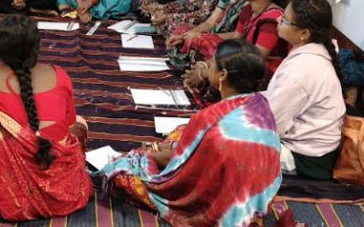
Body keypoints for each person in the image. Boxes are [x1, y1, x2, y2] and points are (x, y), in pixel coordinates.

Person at [94, 39, 281, 227]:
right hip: (256, 199)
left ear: (222, 75)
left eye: (212, 63)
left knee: (122, 170)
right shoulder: (261, 105)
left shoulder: (209, 120)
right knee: (183, 131)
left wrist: (147, 155)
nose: (208, 66)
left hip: (220, 206)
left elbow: (180, 167)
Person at [0, 15, 91, 220]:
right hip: (66, 193)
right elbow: (70, 133)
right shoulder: (60, 76)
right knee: (80, 125)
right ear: (38, 47)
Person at [264, 0, 346, 179]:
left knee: (229, 146)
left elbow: (272, 124)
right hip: (315, 151)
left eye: (284, 19)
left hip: (306, 159)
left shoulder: (301, 70)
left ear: (304, 33)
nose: (278, 20)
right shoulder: (315, 52)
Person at [181, 0, 290, 100]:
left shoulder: (271, 20)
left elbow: (254, 59)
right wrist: (205, 64)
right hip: (243, 60)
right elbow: (236, 38)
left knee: (223, 72)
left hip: (259, 70)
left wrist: (207, 72)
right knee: (206, 48)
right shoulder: (249, 9)